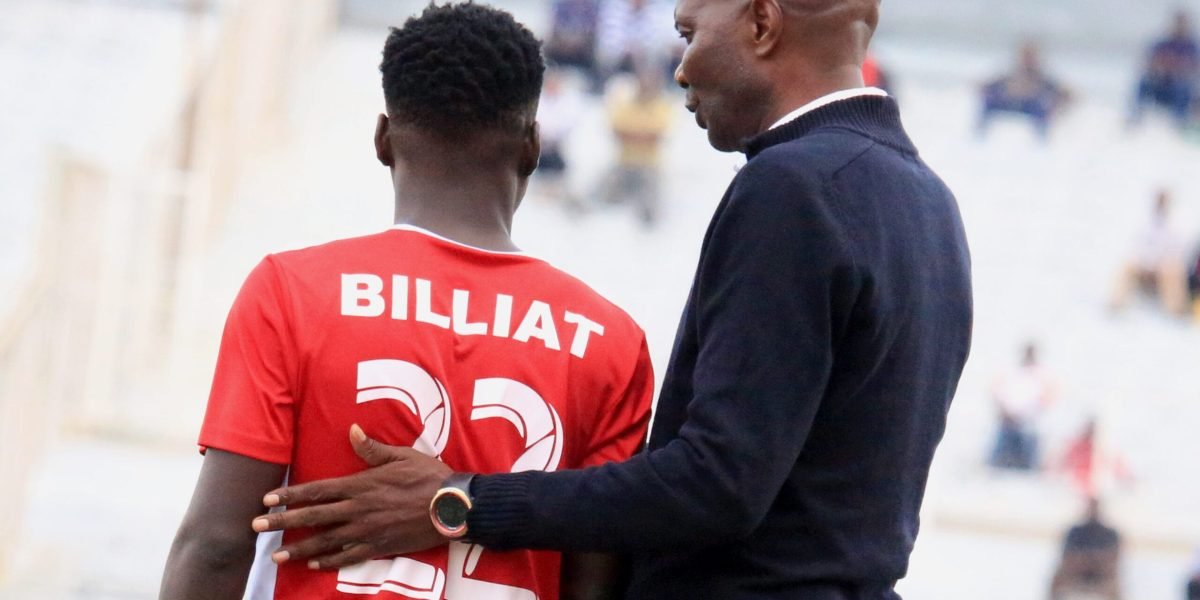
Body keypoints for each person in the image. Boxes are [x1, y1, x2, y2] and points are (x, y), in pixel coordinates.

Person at [253, 1, 974, 598]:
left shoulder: (792, 187)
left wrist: (460, 501)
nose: (681, 69)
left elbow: (718, 482)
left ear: (760, 22)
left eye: (689, 34)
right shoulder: (929, 204)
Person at [159, 4, 654, 599]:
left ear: (383, 139)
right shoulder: (612, 340)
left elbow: (216, 542)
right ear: (531, 146)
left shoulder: (291, 291)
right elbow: (595, 579)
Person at [599, 63, 674, 226]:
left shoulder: (663, 106)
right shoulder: (624, 103)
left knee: (650, 203)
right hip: (624, 163)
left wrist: (633, 134)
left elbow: (657, 136)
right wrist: (642, 135)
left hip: (649, 165)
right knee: (601, 197)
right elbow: (617, 131)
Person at [1109, 188, 1189, 317]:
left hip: (1163, 272)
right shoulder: (1143, 224)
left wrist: (1158, 267)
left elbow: (1177, 253)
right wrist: (1147, 266)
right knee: (1127, 265)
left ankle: (1176, 309)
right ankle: (1116, 302)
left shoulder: (1176, 227)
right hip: (1144, 268)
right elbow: (1135, 248)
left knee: (1172, 268)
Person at [978, 41, 1070, 140]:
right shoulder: (1013, 73)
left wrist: (1057, 108)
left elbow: (1061, 92)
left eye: (1029, 55)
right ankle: (979, 135)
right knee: (988, 103)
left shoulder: (1040, 77)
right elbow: (990, 85)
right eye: (1024, 55)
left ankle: (1041, 140)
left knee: (1041, 109)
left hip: (1030, 106)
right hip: (1007, 103)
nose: (1026, 59)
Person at [989, 341, 1056, 471]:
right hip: (1008, 421)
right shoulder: (1012, 372)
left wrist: (1027, 414)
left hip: (1030, 423)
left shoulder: (1042, 375)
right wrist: (1006, 412)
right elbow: (997, 393)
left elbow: (1047, 399)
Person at [1130, 10, 1198, 130]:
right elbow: (1147, 63)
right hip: (1161, 86)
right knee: (1144, 82)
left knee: (1183, 87)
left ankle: (1179, 123)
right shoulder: (1162, 44)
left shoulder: (1192, 47)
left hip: (1181, 90)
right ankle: (1135, 117)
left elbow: (1195, 68)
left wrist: (1180, 70)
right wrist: (1159, 68)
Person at [534, 68, 587, 214]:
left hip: (557, 146)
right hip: (536, 145)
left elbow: (568, 123)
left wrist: (553, 137)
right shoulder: (537, 100)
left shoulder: (569, 101)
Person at [1048, 498, 1123, 600]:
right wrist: (1083, 561)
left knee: (1114, 584)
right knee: (1056, 579)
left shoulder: (1110, 533)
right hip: (1076, 571)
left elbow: (1114, 556)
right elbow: (1067, 554)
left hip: (1101, 573)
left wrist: (1096, 561)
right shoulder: (1075, 531)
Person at [544, 0, 603, 90]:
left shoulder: (591, 7)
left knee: (598, 58)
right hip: (562, 47)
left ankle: (594, 88)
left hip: (582, 50)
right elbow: (555, 28)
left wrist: (577, 41)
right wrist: (567, 40)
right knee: (545, 50)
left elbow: (593, 31)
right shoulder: (561, 5)